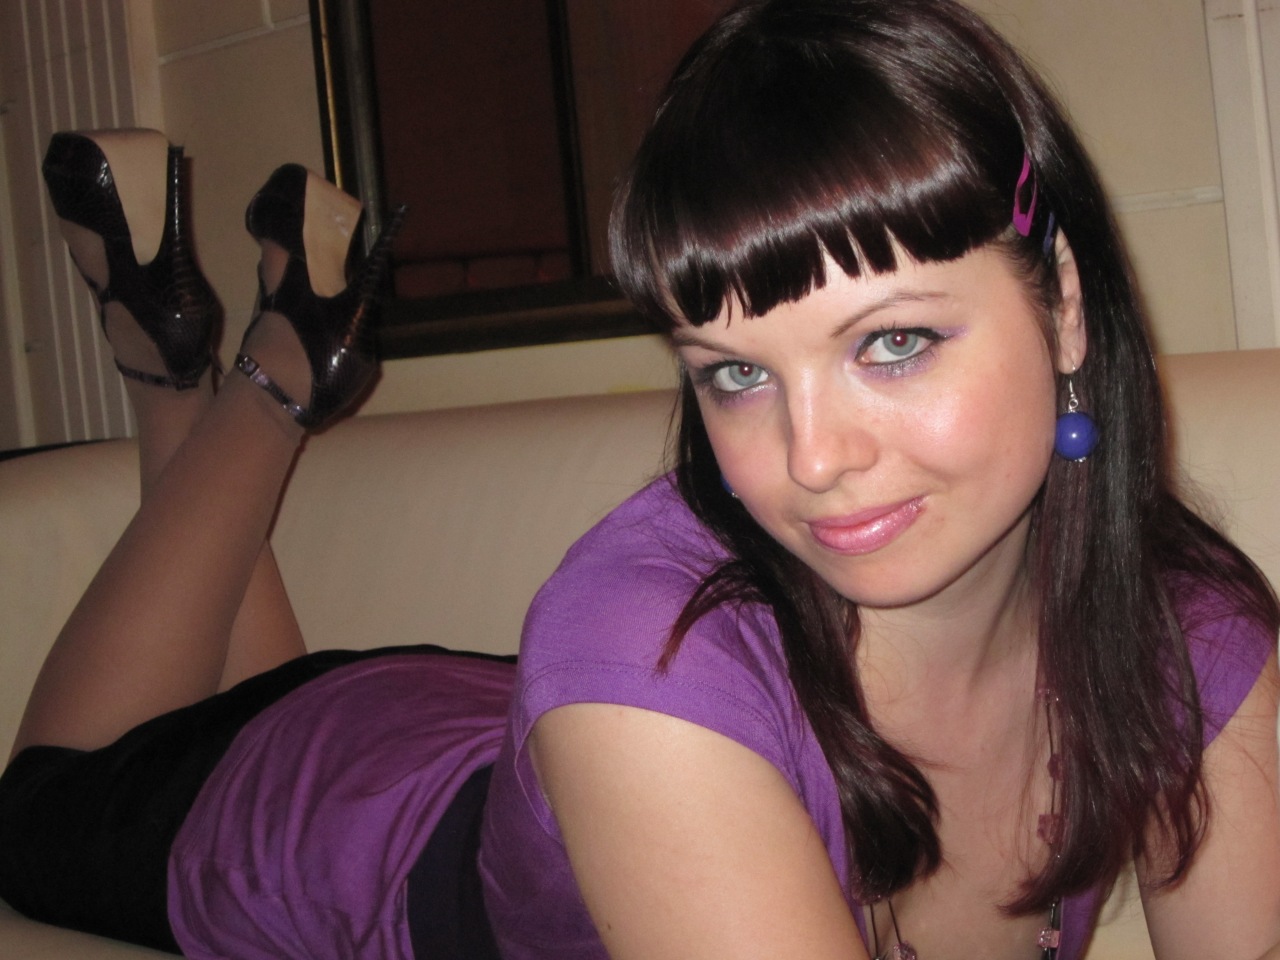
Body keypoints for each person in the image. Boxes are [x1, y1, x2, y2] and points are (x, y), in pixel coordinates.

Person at [1, 1, 1277, 958]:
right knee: (35, 813)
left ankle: (227, 349)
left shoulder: (1191, 629)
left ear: (1062, 306)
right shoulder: (638, 643)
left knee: (265, 687)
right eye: (734, 373)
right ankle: (246, 373)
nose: (811, 460)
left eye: (891, 343)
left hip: (481, 716)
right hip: (324, 821)